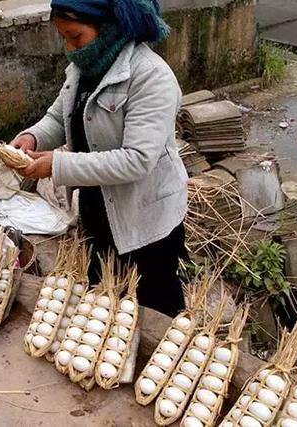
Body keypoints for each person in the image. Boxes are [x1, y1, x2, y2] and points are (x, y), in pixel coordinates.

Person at [12, 0, 188, 317]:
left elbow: (137, 160)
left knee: (154, 307)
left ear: (106, 26)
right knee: (104, 295)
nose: (69, 48)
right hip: (99, 207)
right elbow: (59, 118)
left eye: (75, 37)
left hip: (145, 220)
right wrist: (32, 137)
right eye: (63, 38)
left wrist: (57, 165)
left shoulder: (151, 77)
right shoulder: (86, 67)